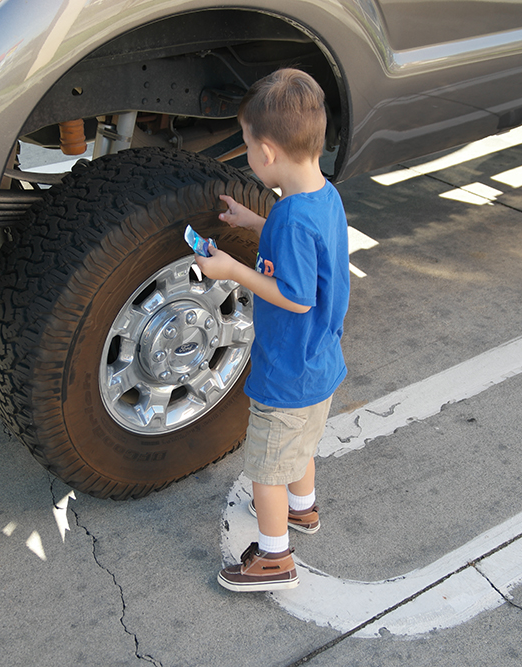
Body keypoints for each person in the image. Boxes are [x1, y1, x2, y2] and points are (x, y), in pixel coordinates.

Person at [194, 68, 350, 592]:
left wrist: (234, 272)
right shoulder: (323, 199)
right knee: (299, 449)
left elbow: (297, 297)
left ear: (265, 153)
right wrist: (253, 223)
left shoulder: (290, 218)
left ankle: (275, 559)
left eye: (244, 144)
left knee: (265, 468)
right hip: (319, 365)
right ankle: (304, 510)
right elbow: (308, 257)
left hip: (286, 372)